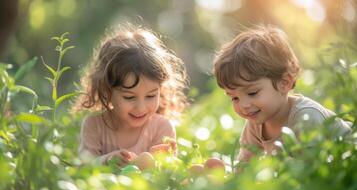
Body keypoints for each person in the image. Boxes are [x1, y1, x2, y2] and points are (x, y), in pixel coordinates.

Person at [213, 25, 351, 162]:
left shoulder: (307, 116)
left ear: (284, 83)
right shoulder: (255, 124)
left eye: (252, 93)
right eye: (234, 98)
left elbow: (313, 169)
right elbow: (245, 164)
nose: (243, 105)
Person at [74, 24, 188, 167]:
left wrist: (158, 161)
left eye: (151, 96)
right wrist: (106, 160)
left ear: (160, 89)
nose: (141, 108)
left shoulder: (162, 127)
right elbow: (83, 166)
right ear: (106, 91)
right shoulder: (94, 125)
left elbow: (169, 174)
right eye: (129, 97)